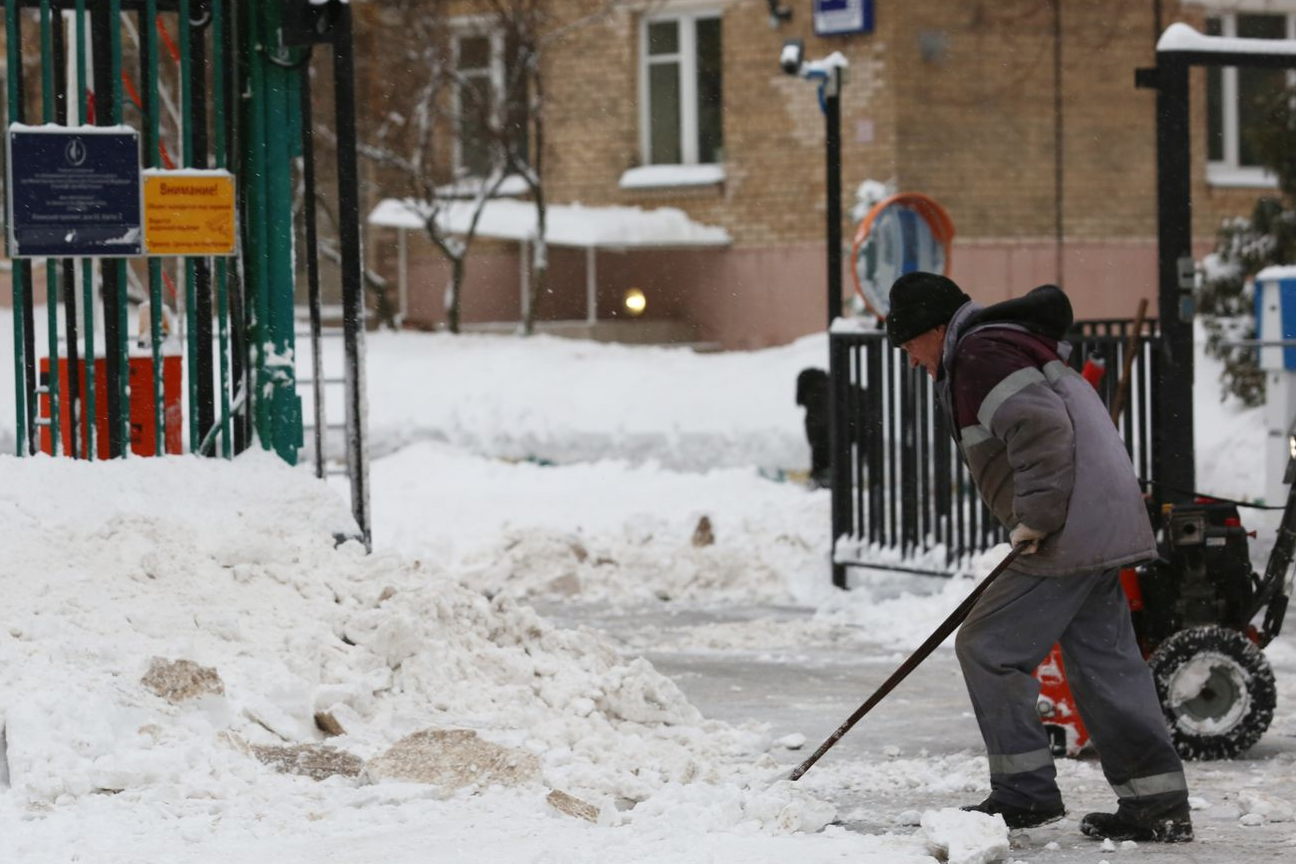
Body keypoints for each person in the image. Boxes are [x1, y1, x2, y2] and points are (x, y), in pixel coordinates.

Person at [885, 271, 1192, 843]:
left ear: (932, 329)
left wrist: (1038, 518)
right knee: (1105, 664)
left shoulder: (979, 354)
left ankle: (1024, 793)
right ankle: (1157, 803)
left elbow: (1042, 432)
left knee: (988, 646)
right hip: (1098, 520)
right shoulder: (1000, 345)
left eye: (907, 346)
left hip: (1068, 528)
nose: (909, 360)